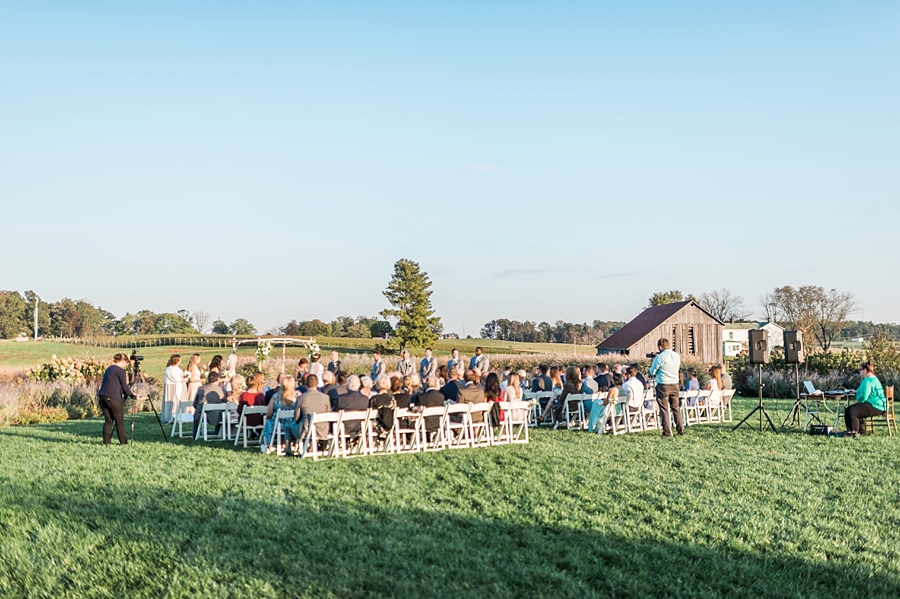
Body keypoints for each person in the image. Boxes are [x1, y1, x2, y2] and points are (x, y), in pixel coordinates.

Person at [97, 353, 135, 445]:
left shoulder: (109, 369)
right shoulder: (120, 371)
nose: (125, 365)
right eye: (126, 363)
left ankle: (106, 442)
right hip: (114, 398)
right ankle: (123, 442)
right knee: (119, 421)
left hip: (103, 397)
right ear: (122, 361)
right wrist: (133, 395)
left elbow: (113, 385)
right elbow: (124, 387)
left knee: (108, 421)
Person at [649, 338, 683, 437]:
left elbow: (652, 372)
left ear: (660, 346)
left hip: (663, 384)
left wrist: (653, 363)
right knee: (676, 408)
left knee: (664, 409)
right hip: (675, 384)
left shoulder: (660, 357)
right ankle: (680, 430)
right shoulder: (676, 356)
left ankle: (667, 432)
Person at [845, 361, 887, 437]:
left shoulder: (867, 381)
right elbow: (866, 390)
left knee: (851, 410)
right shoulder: (874, 379)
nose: (860, 372)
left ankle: (853, 432)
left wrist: (856, 402)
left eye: (860, 370)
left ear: (864, 370)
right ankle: (861, 431)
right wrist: (856, 391)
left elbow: (863, 397)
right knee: (857, 409)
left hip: (875, 405)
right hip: (881, 406)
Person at [291, 374, 331, 454]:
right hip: (322, 429)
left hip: (306, 429)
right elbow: (328, 413)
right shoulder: (326, 397)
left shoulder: (301, 398)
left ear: (306, 383)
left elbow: (297, 417)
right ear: (317, 383)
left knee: (288, 427)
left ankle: (288, 451)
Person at [261, 375, 298, 453]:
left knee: (268, 421)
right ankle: (288, 444)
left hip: (277, 424)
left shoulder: (275, 396)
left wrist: (268, 417)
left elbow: (269, 413)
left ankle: (267, 444)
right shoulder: (298, 396)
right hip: (293, 423)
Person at [194, 372, 227, 438]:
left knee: (196, 413)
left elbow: (195, 403)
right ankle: (217, 433)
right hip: (218, 416)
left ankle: (195, 434)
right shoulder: (221, 390)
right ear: (217, 379)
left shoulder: (201, 389)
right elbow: (225, 403)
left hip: (203, 416)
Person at [162, 354, 185, 424]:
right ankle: (171, 416)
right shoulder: (170, 369)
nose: (180, 361)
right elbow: (176, 378)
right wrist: (185, 379)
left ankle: (177, 416)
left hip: (176, 386)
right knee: (173, 402)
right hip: (172, 387)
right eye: (179, 360)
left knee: (176, 402)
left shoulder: (177, 368)